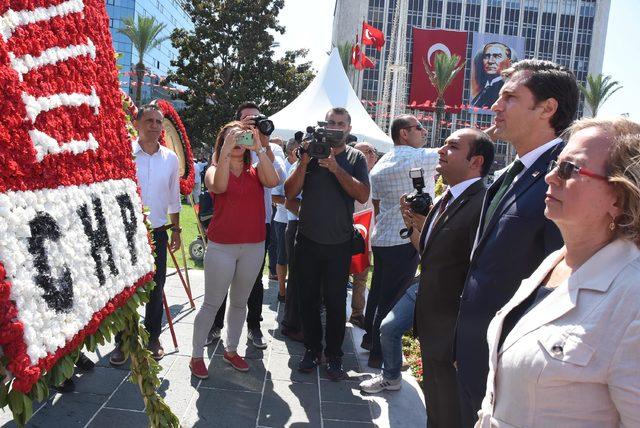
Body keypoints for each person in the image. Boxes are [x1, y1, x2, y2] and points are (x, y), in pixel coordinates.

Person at [476, 117, 640, 427]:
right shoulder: (555, 261)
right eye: (555, 163)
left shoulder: (633, 297)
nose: (550, 177)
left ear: (618, 197)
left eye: (569, 169)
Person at [455, 59, 578, 426]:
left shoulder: (564, 178)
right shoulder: (511, 173)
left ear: (547, 109)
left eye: (509, 97)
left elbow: (558, 284)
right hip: (479, 350)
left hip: (512, 363)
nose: (495, 105)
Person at [361, 130, 493, 423]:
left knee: (450, 410)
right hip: (431, 314)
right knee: (436, 406)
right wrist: (416, 226)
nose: (442, 150)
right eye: (444, 144)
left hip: (451, 326)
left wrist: (464, 337)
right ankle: (391, 376)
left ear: (476, 161)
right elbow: (430, 252)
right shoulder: (447, 197)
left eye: (453, 146)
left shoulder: (482, 205)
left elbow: (477, 272)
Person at [190, 121, 279, 379]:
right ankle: (196, 355)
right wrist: (226, 148)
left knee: (240, 303)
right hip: (222, 247)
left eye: (243, 137)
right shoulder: (213, 170)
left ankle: (231, 349)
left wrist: (261, 147)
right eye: (232, 136)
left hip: (253, 246)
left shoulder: (256, 170)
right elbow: (218, 186)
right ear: (222, 141)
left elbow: (273, 180)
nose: (239, 140)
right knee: (211, 303)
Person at [285, 107, 369, 380]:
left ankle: (334, 355)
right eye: (330, 122)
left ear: (348, 127)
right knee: (307, 300)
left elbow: (361, 193)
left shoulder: (355, 157)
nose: (334, 127)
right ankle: (311, 349)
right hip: (307, 240)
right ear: (323, 125)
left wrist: (335, 168)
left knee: (335, 303)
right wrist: (303, 161)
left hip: (338, 244)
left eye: (340, 123)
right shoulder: (310, 153)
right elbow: (289, 192)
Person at [361, 114, 438, 369]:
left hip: (383, 236)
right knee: (392, 300)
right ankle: (379, 355)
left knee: (378, 295)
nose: (424, 132)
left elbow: (378, 204)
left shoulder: (382, 164)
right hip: (404, 237)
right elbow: (454, 152)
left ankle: (370, 341)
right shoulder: (418, 158)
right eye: (419, 128)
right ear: (404, 133)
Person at [206, 102, 285, 350]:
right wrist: (235, 144)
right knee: (220, 283)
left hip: (259, 223)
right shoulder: (230, 145)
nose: (251, 124)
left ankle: (254, 327)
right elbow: (217, 175)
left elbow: (276, 178)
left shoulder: (269, 148)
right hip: (229, 224)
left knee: (253, 283)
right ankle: (215, 326)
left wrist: (262, 144)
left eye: (256, 119)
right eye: (246, 121)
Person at [110, 104, 181, 365]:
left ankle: (153, 337)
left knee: (156, 287)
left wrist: (176, 229)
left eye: (158, 121)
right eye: (149, 121)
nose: (154, 126)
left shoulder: (170, 159)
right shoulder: (124, 154)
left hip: (159, 233)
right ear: (137, 124)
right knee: (126, 289)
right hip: (127, 233)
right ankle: (122, 341)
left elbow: (174, 197)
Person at [349, 141, 378, 329]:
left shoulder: (376, 176)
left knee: (361, 275)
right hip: (345, 234)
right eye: (367, 151)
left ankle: (357, 313)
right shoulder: (347, 176)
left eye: (373, 151)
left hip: (365, 235)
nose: (372, 154)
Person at [280, 138, 304, 341]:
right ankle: (291, 324)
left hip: (314, 227)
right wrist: (312, 215)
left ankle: (300, 321)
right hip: (297, 226)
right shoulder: (297, 167)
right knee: (296, 279)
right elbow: (288, 201)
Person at [269, 136, 289, 302]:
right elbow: (274, 196)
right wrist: (296, 205)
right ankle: (282, 291)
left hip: (300, 222)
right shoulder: (285, 166)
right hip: (283, 219)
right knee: (282, 257)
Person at [471, 42, 512, 109]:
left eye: (497, 56)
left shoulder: (506, 90)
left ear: (509, 63)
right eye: (487, 56)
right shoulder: (484, 89)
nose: (490, 61)